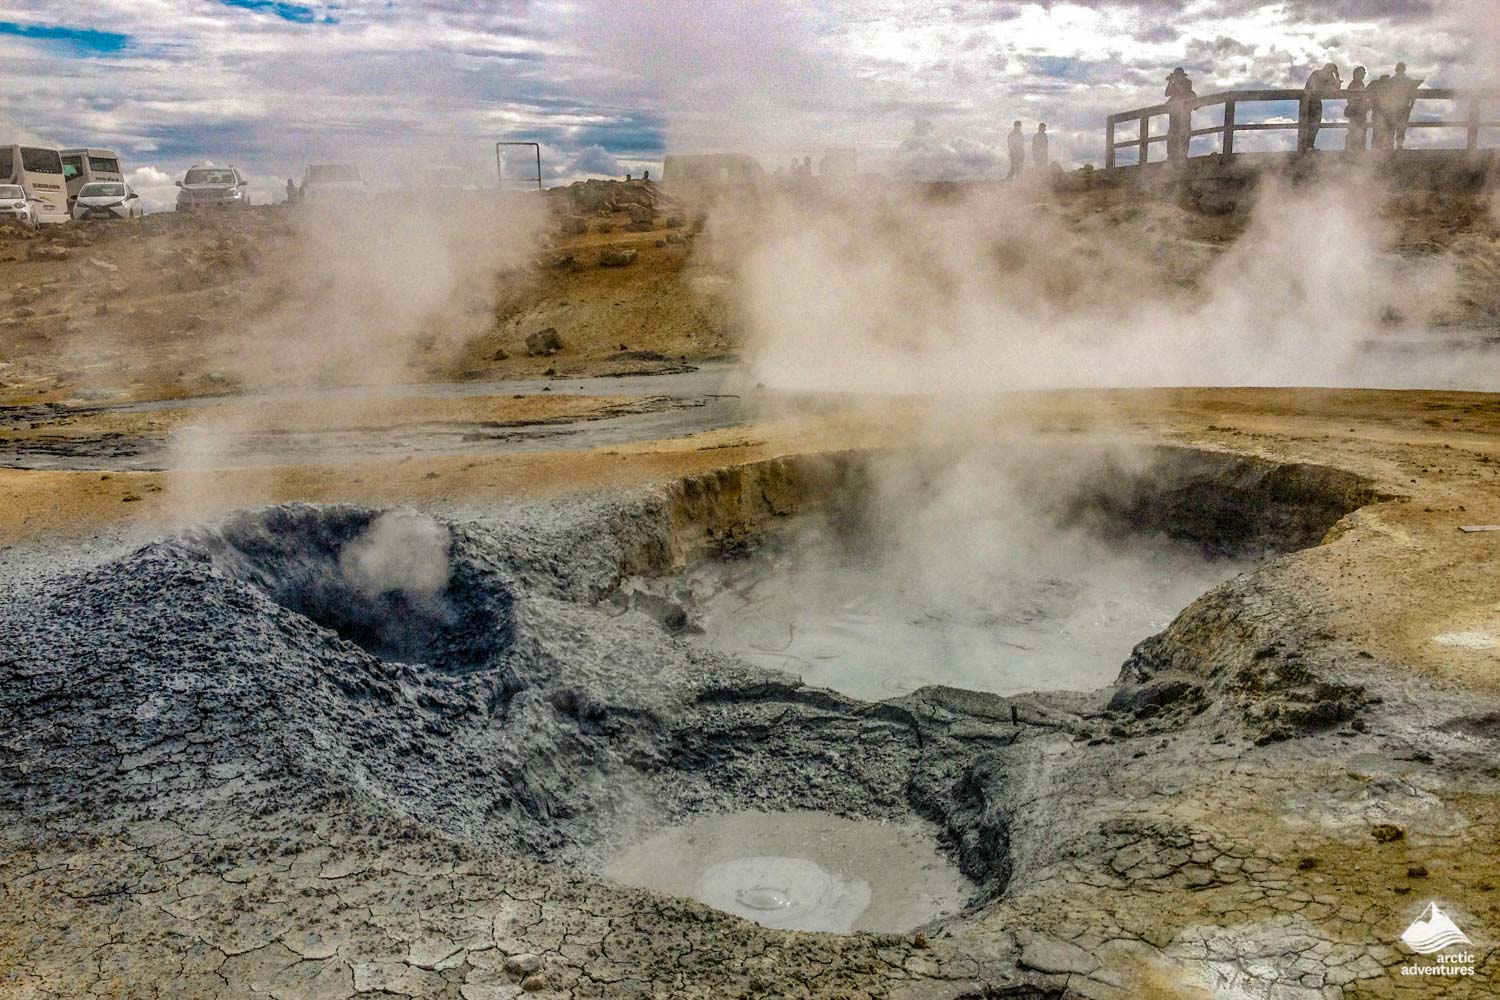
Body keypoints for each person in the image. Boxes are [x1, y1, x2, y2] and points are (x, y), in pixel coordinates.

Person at [1301, 62, 1341, 151]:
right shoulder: (1316, 74)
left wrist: (1337, 76)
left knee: (1316, 124)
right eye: (1329, 68)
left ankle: (1310, 146)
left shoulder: (1330, 77)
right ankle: (1304, 147)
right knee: (1307, 124)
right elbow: (1314, 87)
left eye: (1333, 70)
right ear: (1325, 67)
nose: (1330, 71)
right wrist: (1328, 88)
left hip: (1317, 102)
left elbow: (1337, 89)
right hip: (1307, 101)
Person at [1164, 67, 1196, 165]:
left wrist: (1175, 83)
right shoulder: (1174, 91)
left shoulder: (1187, 86)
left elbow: (1183, 92)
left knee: (1183, 141)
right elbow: (1167, 93)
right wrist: (1170, 82)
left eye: (1178, 76)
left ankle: (1182, 162)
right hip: (1174, 123)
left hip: (1184, 122)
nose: (1177, 78)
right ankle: (1172, 161)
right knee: (1172, 140)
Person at [1391, 62, 1423, 148]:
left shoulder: (1391, 80)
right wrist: (1411, 105)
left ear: (1396, 69)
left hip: (1393, 106)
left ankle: (1388, 145)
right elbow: (1413, 94)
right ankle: (1399, 144)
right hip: (1404, 105)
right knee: (1402, 125)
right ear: (1404, 69)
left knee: (1391, 124)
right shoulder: (1409, 80)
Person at [1368, 73, 1397, 150]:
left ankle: (1379, 150)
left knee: (1382, 131)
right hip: (1381, 113)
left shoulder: (1376, 85)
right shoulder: (1376, 86)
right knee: (1380, 131)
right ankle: (1380, 150)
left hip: (1385, 114)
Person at [1343, 66, 1368, 152]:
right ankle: (1354, 152)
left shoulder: (1360, 84)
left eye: (1364, 73)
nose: (1363, 75)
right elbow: (1351, 99)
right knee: (1356, 132)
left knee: (1360, 132)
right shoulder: (1354, 84)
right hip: (1356, 113)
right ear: (1356, 74)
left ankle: (1357, 151)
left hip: (1360, 113)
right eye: (1361, 73)